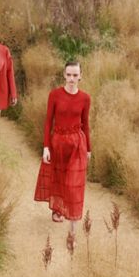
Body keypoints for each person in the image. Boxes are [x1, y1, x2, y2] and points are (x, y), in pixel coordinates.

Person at [34, 61, 91, 249]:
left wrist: (88, 149)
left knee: (74, 185)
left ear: (80, 76)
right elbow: (48, 121)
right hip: (58, 143)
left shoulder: (85, 98)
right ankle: (58, 208)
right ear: (64, 75)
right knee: (58, 178)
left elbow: (86, 124)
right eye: (69, 75)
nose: (72, 79)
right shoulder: (55, 95)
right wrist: (46, 147)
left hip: (77, 145)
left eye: (75, 75)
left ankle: (72, 232)